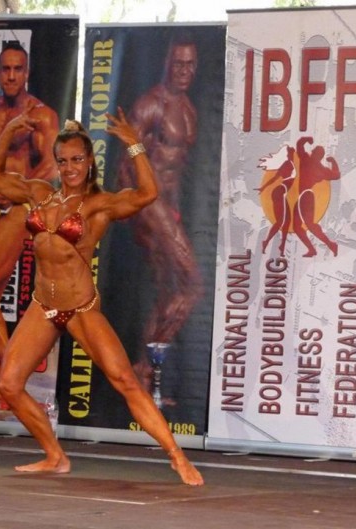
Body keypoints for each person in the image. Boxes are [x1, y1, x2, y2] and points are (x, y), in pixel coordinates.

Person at [0, 104, 205, 486]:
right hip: (43, 305)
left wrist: (134, 144)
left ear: (89, 162)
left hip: (80, 307)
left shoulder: (98, 205)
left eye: (77, 160)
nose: (69, 168)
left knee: (125, 380)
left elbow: (148, 193)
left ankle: (176, 456)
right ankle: (54, 456)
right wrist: (10, 130)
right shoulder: (39, 193)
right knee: (8, 384)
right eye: (63, 160)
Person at [0, 42, 59, 399]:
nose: (12, 75)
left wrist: (18, 190)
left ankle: (10, 384)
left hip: (23, 208)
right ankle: (4, 387)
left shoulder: (41, 115)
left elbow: (52, 164)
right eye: (6, 69)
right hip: (1, 203)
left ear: (27, 72)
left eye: (18, 69)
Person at [117, 34, 203, 398]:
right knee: (192, 286)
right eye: (178, 63)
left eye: (190, 64)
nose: (184, 71)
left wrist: (176, 212)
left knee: (168, 292)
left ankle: (143, 372)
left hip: (169, 208)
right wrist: (134, 211)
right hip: (149, 205)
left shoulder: (188, 108)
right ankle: (145, 367)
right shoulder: (151, 104)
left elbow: (177, 168)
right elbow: (126, 163)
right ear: (167, 64)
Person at [293, 136, 340, 257]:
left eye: (313, 151)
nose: (312, 151)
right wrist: (333, 162)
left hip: (306, 196)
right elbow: (336, 175)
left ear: (316, 154)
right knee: (298, 226)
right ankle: (315, 249)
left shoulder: (308, 160)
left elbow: (300, 146)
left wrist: (306, 140)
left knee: (309, 225)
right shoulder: (318, 167)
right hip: (304, 196)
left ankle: (330, 245)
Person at [258, 145, 297, 255]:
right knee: (280, 222)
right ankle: (266, 242)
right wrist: (263, 187)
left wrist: (263, 187)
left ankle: (282, 246)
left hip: (281, 193)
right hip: (279, 193)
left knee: (287, 221)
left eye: (292, 153)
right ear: (288, 155)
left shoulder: (289, 164)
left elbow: (275, 178)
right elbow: (275, 178)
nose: (292, 155)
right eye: (290, 153)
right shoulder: (287, 164)